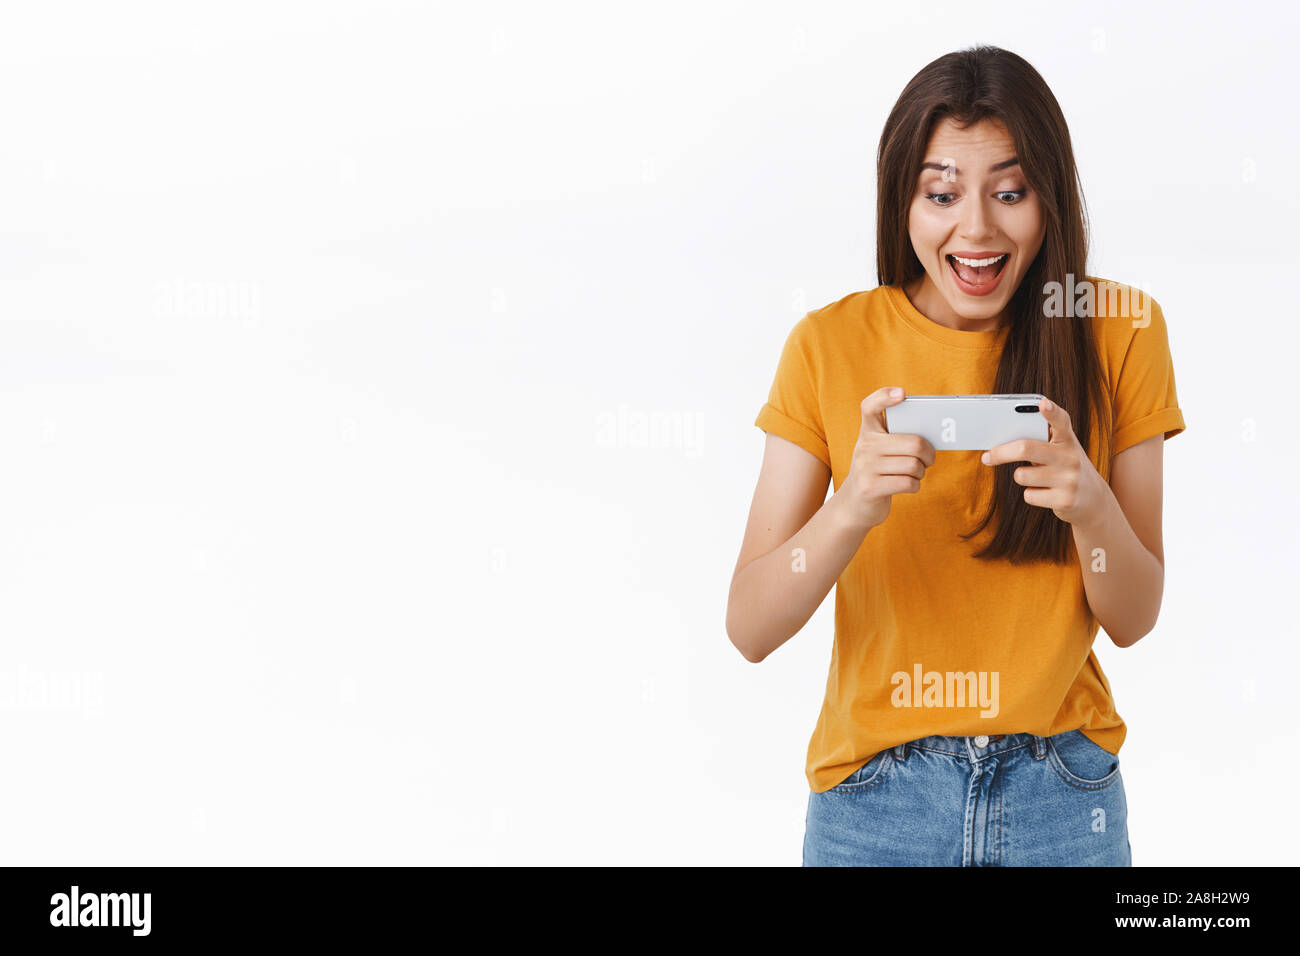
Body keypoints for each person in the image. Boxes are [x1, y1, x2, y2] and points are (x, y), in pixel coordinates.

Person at [725, 45, 1185, 866]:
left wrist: (1090, 505)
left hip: (1061, 796)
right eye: (941, 194)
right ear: (902, 200)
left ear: (1050, 198)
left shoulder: (1121, 331)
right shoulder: (829, 345)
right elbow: (751, 626)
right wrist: (851, 509)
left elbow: (1135, 617)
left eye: (1010, 192)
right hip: (876, 805)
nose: (976, 229)